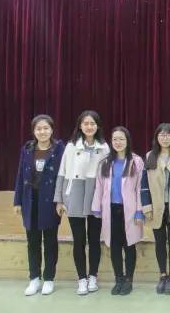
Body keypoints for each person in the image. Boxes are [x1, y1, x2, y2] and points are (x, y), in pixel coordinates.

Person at [54, 110, 109, 295]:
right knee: (79, 240)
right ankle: (82, 279)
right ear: (80, 126)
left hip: (95, 195)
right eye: (86, 123)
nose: (89, 126)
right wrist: (59, 199)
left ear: (98, 126)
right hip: (75, 195)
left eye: (92, 123)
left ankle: (93, 276)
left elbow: (108, 176)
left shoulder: (104, 148)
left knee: (94, 240)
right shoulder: (71, 147)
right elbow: (62, 173)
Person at [14, 114, 65, 296]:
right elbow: (20, 175)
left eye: (46, 128)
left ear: (52, 130)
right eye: (38, 129)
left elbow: (63, 177)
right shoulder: (27, 149)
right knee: (33, 242)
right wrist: (17, 201)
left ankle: (49, 278)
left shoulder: (60, 149)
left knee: (50, 241)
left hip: (50, 202)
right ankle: (34, 278)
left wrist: (61, 200)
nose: (42, 132)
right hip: (30, 201)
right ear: (34, 131)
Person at [92, 126, 144, 295]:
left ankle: (129, 280)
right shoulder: (105, 162)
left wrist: (139, 211)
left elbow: (140, 188)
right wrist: (96, 208)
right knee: (114, 246)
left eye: (121, 139)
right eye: (115, 139)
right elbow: (99, 187)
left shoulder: (136, 161)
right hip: (110, 210)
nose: (118, 142)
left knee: (129, 245)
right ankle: (119, 279)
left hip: (129, 210)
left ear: (127, 141)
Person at [140, 123, 170, 294]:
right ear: (156, 137)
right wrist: (147, 206)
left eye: (168, 135)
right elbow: (144, 184)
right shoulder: (150, 156)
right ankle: (162, 275)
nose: (165, 138)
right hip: (156, 207)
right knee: (159, 242)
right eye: (161, 135)